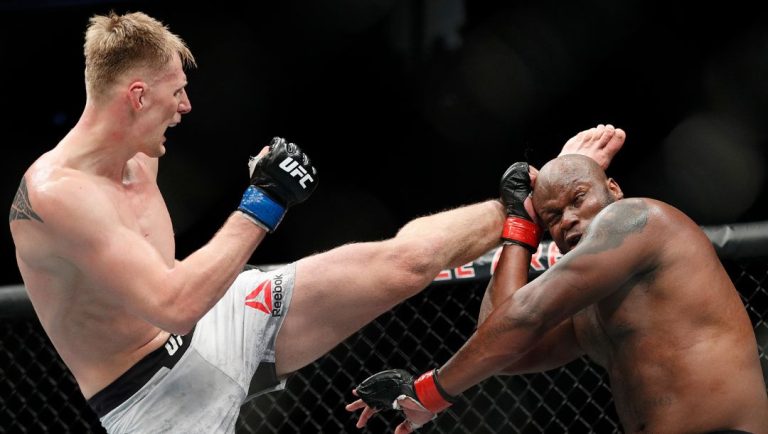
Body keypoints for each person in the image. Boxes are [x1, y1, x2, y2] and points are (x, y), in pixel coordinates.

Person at [7, 10, 527, 433]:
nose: (186, 106)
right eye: (175, 92)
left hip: (218, 321)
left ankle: (530, 200)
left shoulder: (140, 153)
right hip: (151, 399)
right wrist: (263, 201)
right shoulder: (58, 196)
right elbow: (174, 305)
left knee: (404, 263)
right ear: (137, 96)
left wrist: (259, 173)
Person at [347, 134, 768, 433]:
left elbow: (527, 314)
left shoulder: (639, 219)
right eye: (551, 216)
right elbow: (504, 342)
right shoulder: (588, 311)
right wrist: (519, 226)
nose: (567, 219)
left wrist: (429, 392)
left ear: (614, 190)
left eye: (579, 198)